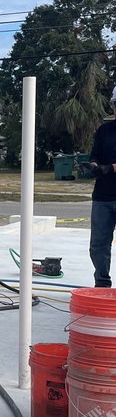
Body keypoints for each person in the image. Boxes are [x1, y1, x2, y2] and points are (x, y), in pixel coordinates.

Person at [88, 86, 116, 288]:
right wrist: (94, 165)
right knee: (98, 245)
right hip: (102, 197)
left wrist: (111, 168)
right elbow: (95, 154)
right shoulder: (104, 130)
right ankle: (102, 284)